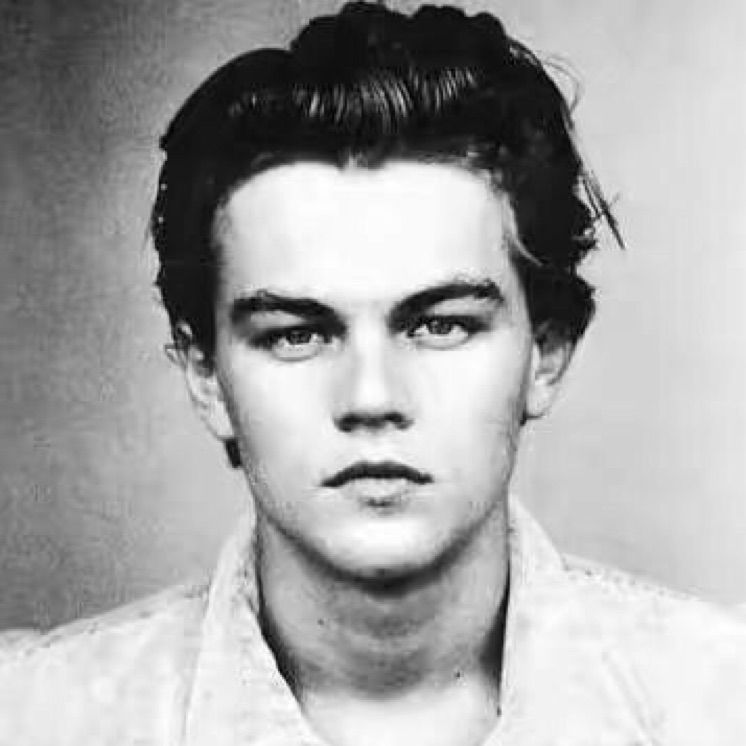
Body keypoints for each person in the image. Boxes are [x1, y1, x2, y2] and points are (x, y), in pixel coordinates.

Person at [0, 3, 744, 744]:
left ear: (545, 352)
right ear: (205, 374)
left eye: (441, 325)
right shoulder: (32, 715)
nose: (372, 397)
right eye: (296, 335)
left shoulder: (722, 702)